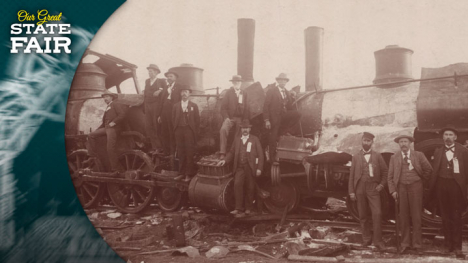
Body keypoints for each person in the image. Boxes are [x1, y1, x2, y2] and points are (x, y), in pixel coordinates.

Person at [387, 134, 432, 254]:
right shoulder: (394, 157)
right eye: (401, 142)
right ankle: (405, 243)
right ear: (399, 144)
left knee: (417, 216)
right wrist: (393, 190)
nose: (403, 144)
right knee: (403, 216)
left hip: (416, 187)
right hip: (401, 188)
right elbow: (390, 176)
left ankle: (417, 245)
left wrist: (421, 182)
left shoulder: (418, 155)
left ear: (410, 143)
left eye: (405, 141)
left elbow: (428, 169)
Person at [428, 127, 468, 256]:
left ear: (455, 137)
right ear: (443, 137)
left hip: (456, 186)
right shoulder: (439, 151)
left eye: (451, 134)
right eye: (446, 134)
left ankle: (457, 247)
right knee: (445, 216)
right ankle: (447, 245)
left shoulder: (463, 151)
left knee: (456, 216)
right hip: (441, 185)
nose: (448, 137)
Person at [348, 132, 387, 250]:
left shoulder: (378, 156)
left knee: (377, 214)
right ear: (361, 141)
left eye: (368, 141)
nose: (366, 143)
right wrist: (351, 191)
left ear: (372, 142)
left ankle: (378, 241)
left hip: (373, 188)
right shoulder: (355, 157)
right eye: (364, 140)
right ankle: (366, 239)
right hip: (359, 188)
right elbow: (351, 176)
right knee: (363, 215)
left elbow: (385, 172)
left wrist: (381, 185)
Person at [218, 119, 264, 217]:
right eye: (243, 128)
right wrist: (225, 160)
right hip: (239, 168)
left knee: (250, 187)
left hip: (251, 168)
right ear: (241, 129)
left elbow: (261, 155)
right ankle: (238, 208)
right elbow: (231, 152)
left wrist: (259, 168)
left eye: (247, 128)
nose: (245, 130)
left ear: (250, 129)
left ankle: (248, 208)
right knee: (237, 185)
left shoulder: (254, 139)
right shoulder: (237, 139)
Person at [263, 73, 301, 162]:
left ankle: (287, 131)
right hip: (274, 118)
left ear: (286, 82)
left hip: (283, 116)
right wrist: (266, 120)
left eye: (284, 80)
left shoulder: (287, 92)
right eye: (281, 80)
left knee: (298, 114)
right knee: (272, 139)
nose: (283, 82)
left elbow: (290, 107)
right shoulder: (272, 91)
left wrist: (293, 96)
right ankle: (272, 160)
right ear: (278, 81)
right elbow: (266, 106)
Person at [88, 92, 127, 172]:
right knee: (91, 135)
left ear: (111, 97)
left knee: (110, 149)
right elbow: (104, 123)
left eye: (107, 97)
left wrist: (114, 122)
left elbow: (122, 115)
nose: (105, 99)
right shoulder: (107, 107)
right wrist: (97, 130)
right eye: (104, 97)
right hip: (106, 128)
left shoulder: (115, 104)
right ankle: (93, 155)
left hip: (113, 128)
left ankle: (116, 169)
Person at [172, 86, 200, 181]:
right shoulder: (176, 106)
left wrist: (193, 131)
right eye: (183, 92)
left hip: (189, 131)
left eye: (186, 92)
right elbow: (173, 118)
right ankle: (181, 173)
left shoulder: (194, 106)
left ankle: (189, 174)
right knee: (181, 152)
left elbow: (197, 120)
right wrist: (176, 129)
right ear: (180, 94)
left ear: (189, 94)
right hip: (179, 131)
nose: (184, 94)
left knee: (189, 152)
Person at [219, 75, 249, 159]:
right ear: (232, 83)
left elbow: (247, 107)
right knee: (223, 130)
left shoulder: (244, 93)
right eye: (235, 82)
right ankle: (222, 152)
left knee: (239, 132)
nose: (237, 83)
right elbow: (223, 108)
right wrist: (226, 118)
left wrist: (245, 120)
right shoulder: (229, 92)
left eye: (238, 82)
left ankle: (234, 152)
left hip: (240, 118)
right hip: (230, 118)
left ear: (241, 83)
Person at [156, 71, 181, 158]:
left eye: (171, 76)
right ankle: (166, 151)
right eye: (168, 76)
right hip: (164, 112)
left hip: (173, 112)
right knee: (164, 132)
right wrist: (159, 115)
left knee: (172, 132)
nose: (169, 78)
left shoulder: (179, 87)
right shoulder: (165, 87)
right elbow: (161, 102)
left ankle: (173, 152)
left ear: (175, 78)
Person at [143, 64, 166, 153]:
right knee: (149, 125)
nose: (149, 73)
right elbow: (145, 93)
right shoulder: (147, 81)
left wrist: (160, 90)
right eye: (148, 71)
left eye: (151, 71)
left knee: (156, 125)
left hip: (156, 105)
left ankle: (160, 147)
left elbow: (166, 90)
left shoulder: (161, 81)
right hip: (147, 104)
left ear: (156, 72)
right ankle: (154, 147)